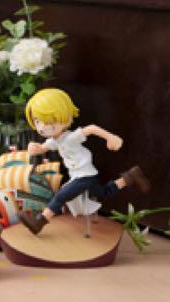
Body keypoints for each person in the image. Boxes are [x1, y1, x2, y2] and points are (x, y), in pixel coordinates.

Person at [18, 88, 149, 235]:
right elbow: (42, 148)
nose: (42, 127)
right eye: (37, 121)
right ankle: (130, 176)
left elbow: (91, 129)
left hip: (84, 176)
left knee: (61, 196)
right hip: (84, 175)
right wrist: (33, 148)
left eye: (48, 121)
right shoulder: (55, 140)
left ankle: (39, 222)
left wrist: (111, 138)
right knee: (102, 193)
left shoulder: (71, 137)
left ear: (65, 118)